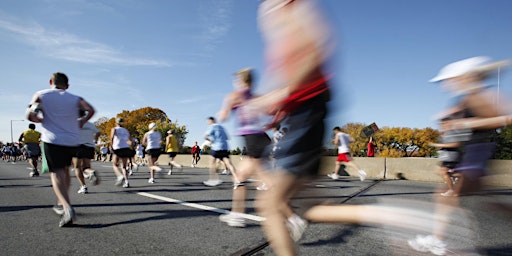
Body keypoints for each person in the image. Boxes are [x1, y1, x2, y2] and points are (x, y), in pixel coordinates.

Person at [407, 56, 510, 254]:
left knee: (448, 195)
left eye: (451, 79)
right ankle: (437, 240)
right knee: (485, 201)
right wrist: (451, 116)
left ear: (465, 77)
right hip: (471, 153)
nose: (447, 84)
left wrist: (466, 123)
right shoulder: (468, 97)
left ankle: (437, 240)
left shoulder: (478, 95)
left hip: (478, 153)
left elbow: (503, 119)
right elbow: (460, 112)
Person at [26, 72, 95, 227]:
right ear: (67, 85)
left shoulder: (41, 94)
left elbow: (30, 113)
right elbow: (91, 110)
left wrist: (39, 119)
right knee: (65, 171)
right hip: (72, 140)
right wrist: (81, 121)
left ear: (51, 81)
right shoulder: (75, 98)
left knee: (56, 173)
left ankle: (66, 207)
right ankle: (62, 202)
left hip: (52, 139)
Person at [216, 68, 272, 227]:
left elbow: (223, 117)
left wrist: (224, 110)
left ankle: (291, 218)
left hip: (252, 138)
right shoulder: (256, 96)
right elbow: (268, 112)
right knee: (240, 178)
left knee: (266, 180)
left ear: (239, 81)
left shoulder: (234, 96)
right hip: (260, 137)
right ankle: (237, 215)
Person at [202, 117, 238, 186]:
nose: (208, 123)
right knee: (229, 163)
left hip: (216, 147)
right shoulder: (221, 127)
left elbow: (205, 136)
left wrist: (210, 140)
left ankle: (214, 179)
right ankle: (237, 180)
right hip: (225, 147)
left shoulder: (212, 126)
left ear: (211, 121)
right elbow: (228, 138)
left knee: (211, 162)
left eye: (208, 121)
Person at [73, 110, 101, 194]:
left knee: (77, 167)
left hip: (78, 146)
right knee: (86, 167)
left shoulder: (74, 123)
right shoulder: (90, 124)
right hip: (89, 146)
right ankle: (91, 172)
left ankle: (83, 186)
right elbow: (98, 132)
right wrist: (95, 140)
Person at [110, 117, 133, 188]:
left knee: (114, 164)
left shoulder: (114, 129)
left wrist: (111, 146)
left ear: (116, 123)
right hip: (125, 148)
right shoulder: (126, 130)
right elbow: (130, 140)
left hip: (117, 148)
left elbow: (112, 138)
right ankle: (126, 181)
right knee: (124, 166)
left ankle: (119, 176)